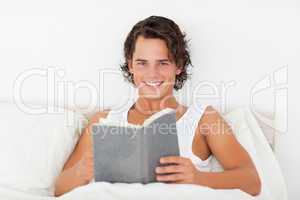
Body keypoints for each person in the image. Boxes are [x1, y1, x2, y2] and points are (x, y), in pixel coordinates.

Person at [54, 16, 261, 197]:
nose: (152, 74)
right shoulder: (103, 121)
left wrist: (198, 177)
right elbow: (60, 189)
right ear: (131, 65)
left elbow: (251, 181)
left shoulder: (204, 120)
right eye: (142, 63)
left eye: (163, 63)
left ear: (178, 65)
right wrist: (82, 170)